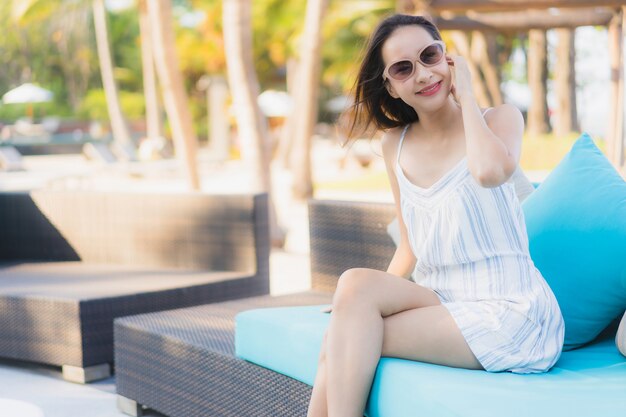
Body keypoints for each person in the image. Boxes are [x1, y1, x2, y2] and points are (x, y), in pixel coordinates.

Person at [307, 14, 565, 417]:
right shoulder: (395, 144)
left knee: (343, 339)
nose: (423, 74)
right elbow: (410, 244)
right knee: (352, 287)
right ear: (390, 85)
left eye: (430, 56)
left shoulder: (499, 119)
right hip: (443, 299)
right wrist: (354, 303)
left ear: (449, 59)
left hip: (511, 310)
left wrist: (468, 99)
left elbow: (488, 172)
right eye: (403, 68)